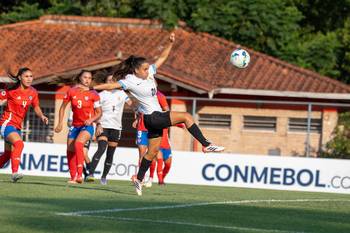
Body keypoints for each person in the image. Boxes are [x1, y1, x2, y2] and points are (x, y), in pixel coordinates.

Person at [93, 32, 224, 195]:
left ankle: (139, 179)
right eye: (145, 68)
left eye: (149, 68)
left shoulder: (148, 75)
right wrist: (93, 87)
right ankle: (206, 145)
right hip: (153, 117)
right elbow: (111, 87)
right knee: (186, 116)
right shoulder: (129, 81)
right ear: (136, 70)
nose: (149, 71)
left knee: (152, 152)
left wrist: (169, 43)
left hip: (151, 120)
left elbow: (161, 59)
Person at [0, 67, 48, 182]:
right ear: (20, 77)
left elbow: (36, 107)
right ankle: (15, 173)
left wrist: (42, 116)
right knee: (19, 144)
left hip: (17, 126)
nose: (29, 79)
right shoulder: (11, 90)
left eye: (31, 76)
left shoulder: (33, 92)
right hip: (7, 123)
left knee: (7, 154)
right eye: (26, 76)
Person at [54, 70, 102, 184]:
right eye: (85, 77)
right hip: (75, 126)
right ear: (80, 78)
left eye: (89, 78)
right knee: (70, 150)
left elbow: (99, 112)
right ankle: (73, 177)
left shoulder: (94, 93)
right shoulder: (71, 91)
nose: (87, 80)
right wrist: (60, 123)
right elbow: (62, 107)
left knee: (78, 144)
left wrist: (91, 120)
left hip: (87, 126)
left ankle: (80, 175)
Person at [86, 74, 132, 185]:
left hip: (116, 128)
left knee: (110, 154)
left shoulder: (121, 94)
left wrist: (137, 110)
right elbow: (95, 111)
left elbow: (131, 103)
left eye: (113, 80)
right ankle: (90, 174)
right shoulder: (101, 95)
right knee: (101, 148)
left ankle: (104, 177)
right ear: (105, 82)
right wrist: (97, 124)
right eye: (109, 80)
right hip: (103, 126)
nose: (111, 81)